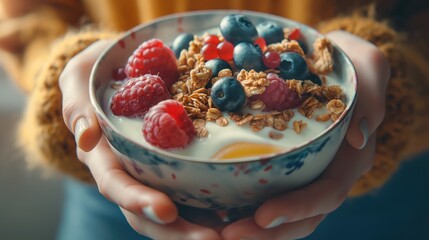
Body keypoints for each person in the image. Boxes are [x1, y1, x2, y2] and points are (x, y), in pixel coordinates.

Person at [0, 0, 428, 239]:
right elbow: (27, 17)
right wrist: (62, 76)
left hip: (372, 202)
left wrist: (397, 81)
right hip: (115, 186)